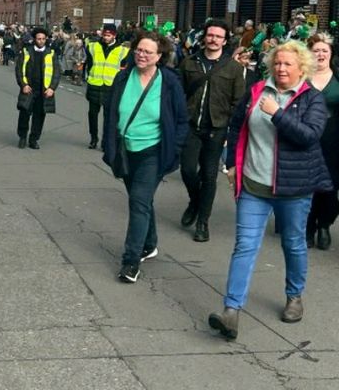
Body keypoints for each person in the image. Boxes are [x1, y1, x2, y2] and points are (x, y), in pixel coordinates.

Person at [209, 41, 332, 340]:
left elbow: (309, 136)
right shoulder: (256, 91)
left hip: (294, 188)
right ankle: (231, 310)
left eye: (288, 64)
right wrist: (231, 163)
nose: (281, 68)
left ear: (301, 68)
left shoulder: (312, 99)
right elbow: (237, 126)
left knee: (293, 244)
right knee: (245, 246)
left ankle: (294, 296)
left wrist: (277, 113)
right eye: (277, 63)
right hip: (254, 184)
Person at [102, 31, 188, 284]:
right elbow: (110, 114)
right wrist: (109, 145)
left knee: (138, 202)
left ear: (159, 56)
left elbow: (182, 120)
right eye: (139, 50)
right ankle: (150, 244)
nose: (141, 55)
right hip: (125, 149)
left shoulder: (169, 82)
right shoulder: (122, 78)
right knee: (141, 200)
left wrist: (175, 148)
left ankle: (131, 261)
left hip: (153, 151)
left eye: (148, 52)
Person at [179, 20, 245, 242]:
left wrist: (230, 131)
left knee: (208, 175)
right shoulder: (189, 62)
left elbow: (238, 102)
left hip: (216, 128)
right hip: (190, 124)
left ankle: (202, 222)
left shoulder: (234, 68)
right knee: (188, 170)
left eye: (218, 36)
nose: (213, 39)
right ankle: (194, 202)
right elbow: (179, 94)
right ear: (204, 37)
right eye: (210, 35)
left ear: (225, 41)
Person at [306, 33, 339, 250]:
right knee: (306, 186)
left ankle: (324, 224)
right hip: (305, 137)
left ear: (331, 54)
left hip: (334, 139)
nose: (320, 54)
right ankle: (307, 227)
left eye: (324, 50)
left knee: (330, 186)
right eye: (316, 50)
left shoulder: (338, 78)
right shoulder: (301, 77)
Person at [85, 24, 130, 149]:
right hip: (95, 84)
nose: (105, 37)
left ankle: (106, 141)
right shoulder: (92, 46)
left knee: (109, 117)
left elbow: (123, 70)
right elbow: (89, 64)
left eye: (108, 35)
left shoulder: (123, 51)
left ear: (114, 36)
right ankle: (93, 138)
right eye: (104, 35)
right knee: (92, 115)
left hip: (111, 86)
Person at [15, 27, 61, 150]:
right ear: (34, 39)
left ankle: (34, 139)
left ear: (46, 39)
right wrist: (23, 85)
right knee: (24, 113)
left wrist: (52, 88)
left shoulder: (51, 53)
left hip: (43, 91)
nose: (41, 41)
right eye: (38, 39)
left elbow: (56, 73)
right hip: (29, 88)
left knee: (39, 116)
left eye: (43, 39)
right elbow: (19, 70)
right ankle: (22, 137)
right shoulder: (26, 51)